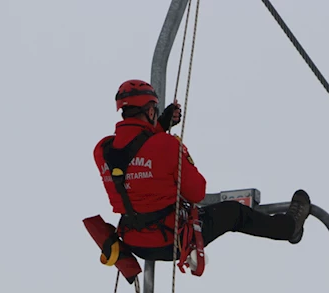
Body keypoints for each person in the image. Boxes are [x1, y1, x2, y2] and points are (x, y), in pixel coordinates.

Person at [92, 79, 312, 266]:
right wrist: (170, 143)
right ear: (150, 111)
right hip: (171, 241)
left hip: (134, 243)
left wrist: (159, 127)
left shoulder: (102, 150)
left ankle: (289, 227)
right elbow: (196, 192)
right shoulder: (167, 146)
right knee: (234, 213)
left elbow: (133, 159)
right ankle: (289, 228)